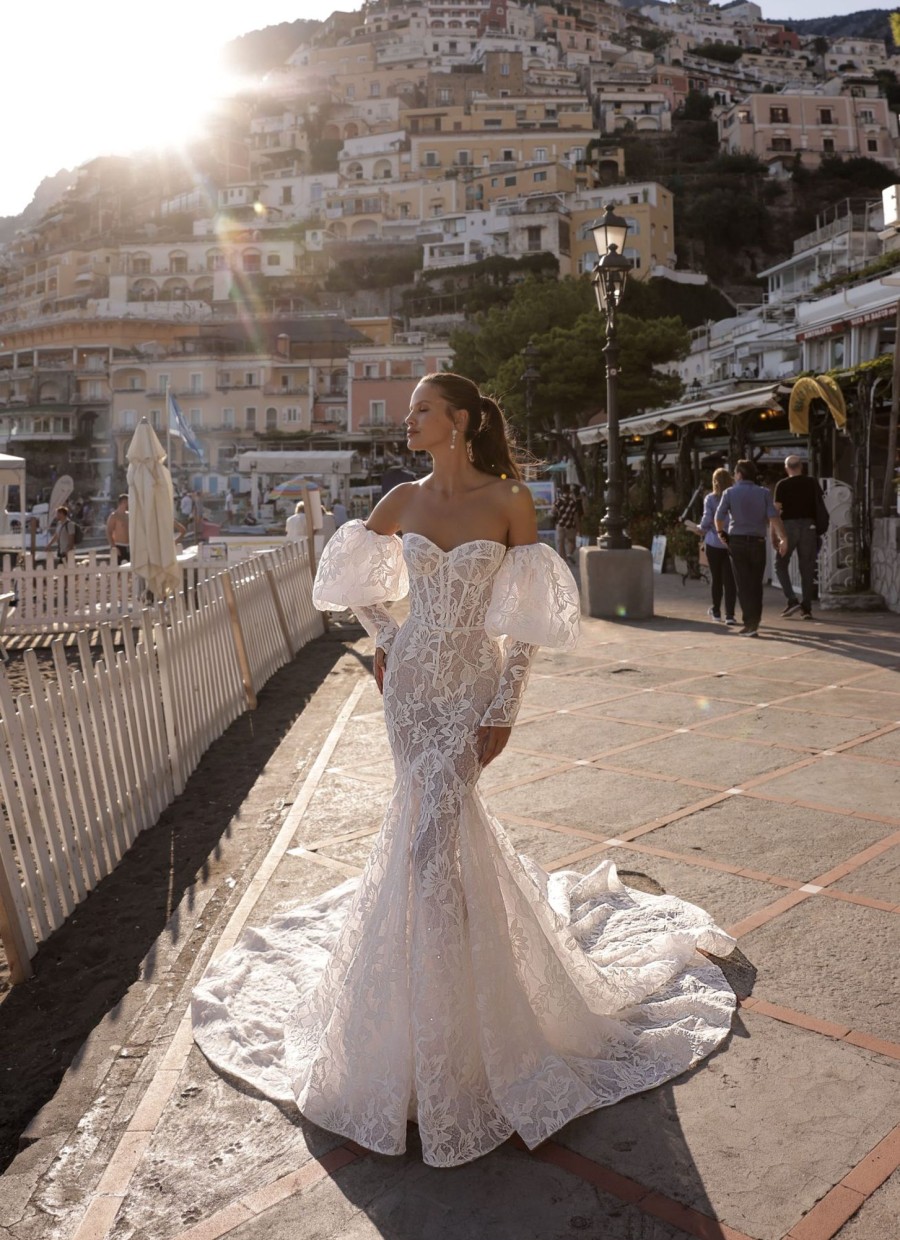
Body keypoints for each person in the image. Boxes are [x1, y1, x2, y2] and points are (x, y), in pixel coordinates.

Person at [192, 371, 736, 1167]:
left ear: (460, 421)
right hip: (411, 688)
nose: (407, 421)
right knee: (428, 837)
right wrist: (389, 638)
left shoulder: (511, 500)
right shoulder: (403, 499)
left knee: (432, 841)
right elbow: (343, 580)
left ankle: (459, 1040)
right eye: (408, 410)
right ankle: (426, 1032)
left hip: (470, 689)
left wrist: (504, 708)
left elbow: (522, 628)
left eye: (420, 410)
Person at [715, 459, 788, 637]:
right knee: (756, 583)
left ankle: (749, 623)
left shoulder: (729, 493)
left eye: (735, 473)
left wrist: (721, 534)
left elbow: (719, 516)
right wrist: (783, 537)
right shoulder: (763, 493)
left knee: (743, 583)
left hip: (737, 541)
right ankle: (755, 621)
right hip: (758, 541)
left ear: (739, 474)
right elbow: (773, 517)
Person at [774, 455, 821, 621]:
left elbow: (776, 510)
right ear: (801, 466)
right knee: (807, 567)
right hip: (809, 527)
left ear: (787, 468)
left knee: (780, 563)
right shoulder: (812, 482)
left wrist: (777, 534)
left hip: (789, 527)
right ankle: (806, 608)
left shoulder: (782, 485)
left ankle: (792, 599)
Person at [699, 468, 737, 625]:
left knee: (716, 578)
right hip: (731, 543)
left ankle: (716, 611)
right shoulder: (734, 496)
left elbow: (706, 521)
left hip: (713, 542)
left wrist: (700, 528)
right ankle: (730, 615)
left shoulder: (710, 499)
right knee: (730, 580)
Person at [552, 481, 578, 562]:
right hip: (570, 525)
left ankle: (563, 560)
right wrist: (578, 527)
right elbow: (575, 515)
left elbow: (553, 511)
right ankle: (569, 554)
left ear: (562, 491)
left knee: (560, 543)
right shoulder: (573, 502)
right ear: (569, 491)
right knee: (572, 542)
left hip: (560, 524)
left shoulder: (558, 501)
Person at [106, 494, 130, 565]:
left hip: (128, 546)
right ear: (123, 502)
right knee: (118, 570)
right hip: (118, 545)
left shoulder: (128, 515)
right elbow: (109, 532)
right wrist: (114, 547)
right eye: (127, 502)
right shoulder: (114, 516)